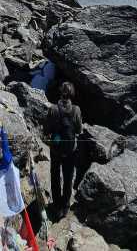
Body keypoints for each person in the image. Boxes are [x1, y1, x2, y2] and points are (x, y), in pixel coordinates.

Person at [45, 81, 82, 218]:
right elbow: (79, 130)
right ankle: (65, 206)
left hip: (56, 149)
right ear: (72, 94)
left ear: (60, 92)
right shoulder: (76, 109)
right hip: (71, 150)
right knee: (68, 177)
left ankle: (56, 205)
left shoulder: (53, 109)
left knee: (55, 176)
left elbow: (46, 129)